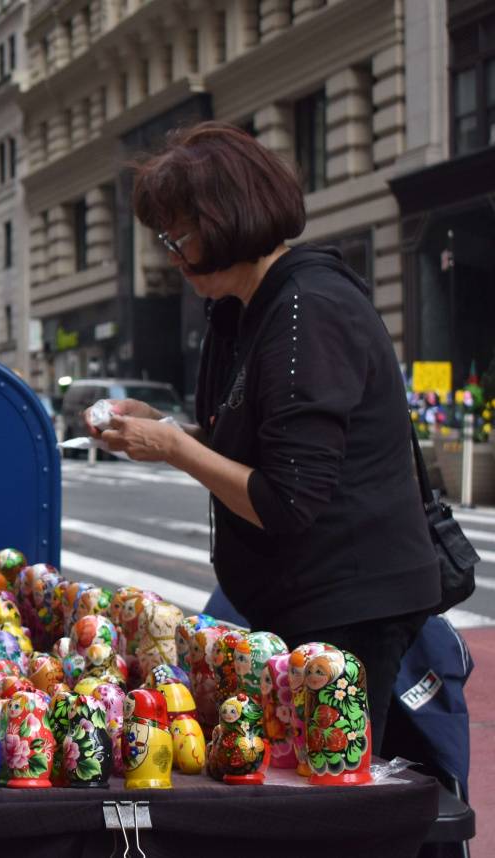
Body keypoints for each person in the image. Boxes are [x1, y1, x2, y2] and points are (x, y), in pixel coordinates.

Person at [87, 122, 438, 753]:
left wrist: (175, 446)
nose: (172, 254)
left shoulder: (307, 307)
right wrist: (160, 430)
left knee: (328, 796)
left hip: (348, 604)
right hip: (295, 598)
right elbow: (248, 442)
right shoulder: (244, 310)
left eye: (179, 235)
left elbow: (289, 498)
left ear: (226, 219)